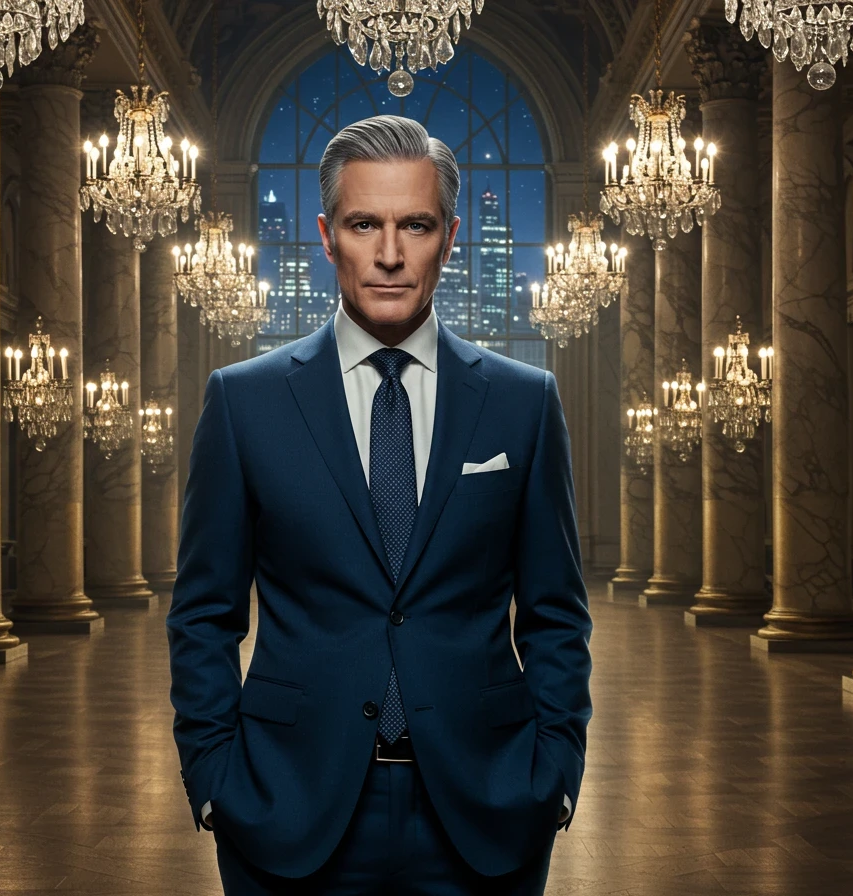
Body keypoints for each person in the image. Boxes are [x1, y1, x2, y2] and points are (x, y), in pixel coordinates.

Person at [167, 114, 593, 894]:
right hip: (287, 805)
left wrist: (554, 771)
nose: (391, 253)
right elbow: (203, 613)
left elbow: (557, 612)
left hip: (487, 806)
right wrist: (214, 779)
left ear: (451, 237)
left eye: (416, 225)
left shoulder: (523, 402)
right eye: (366, 224)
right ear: (328, 236)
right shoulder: (244, 402)